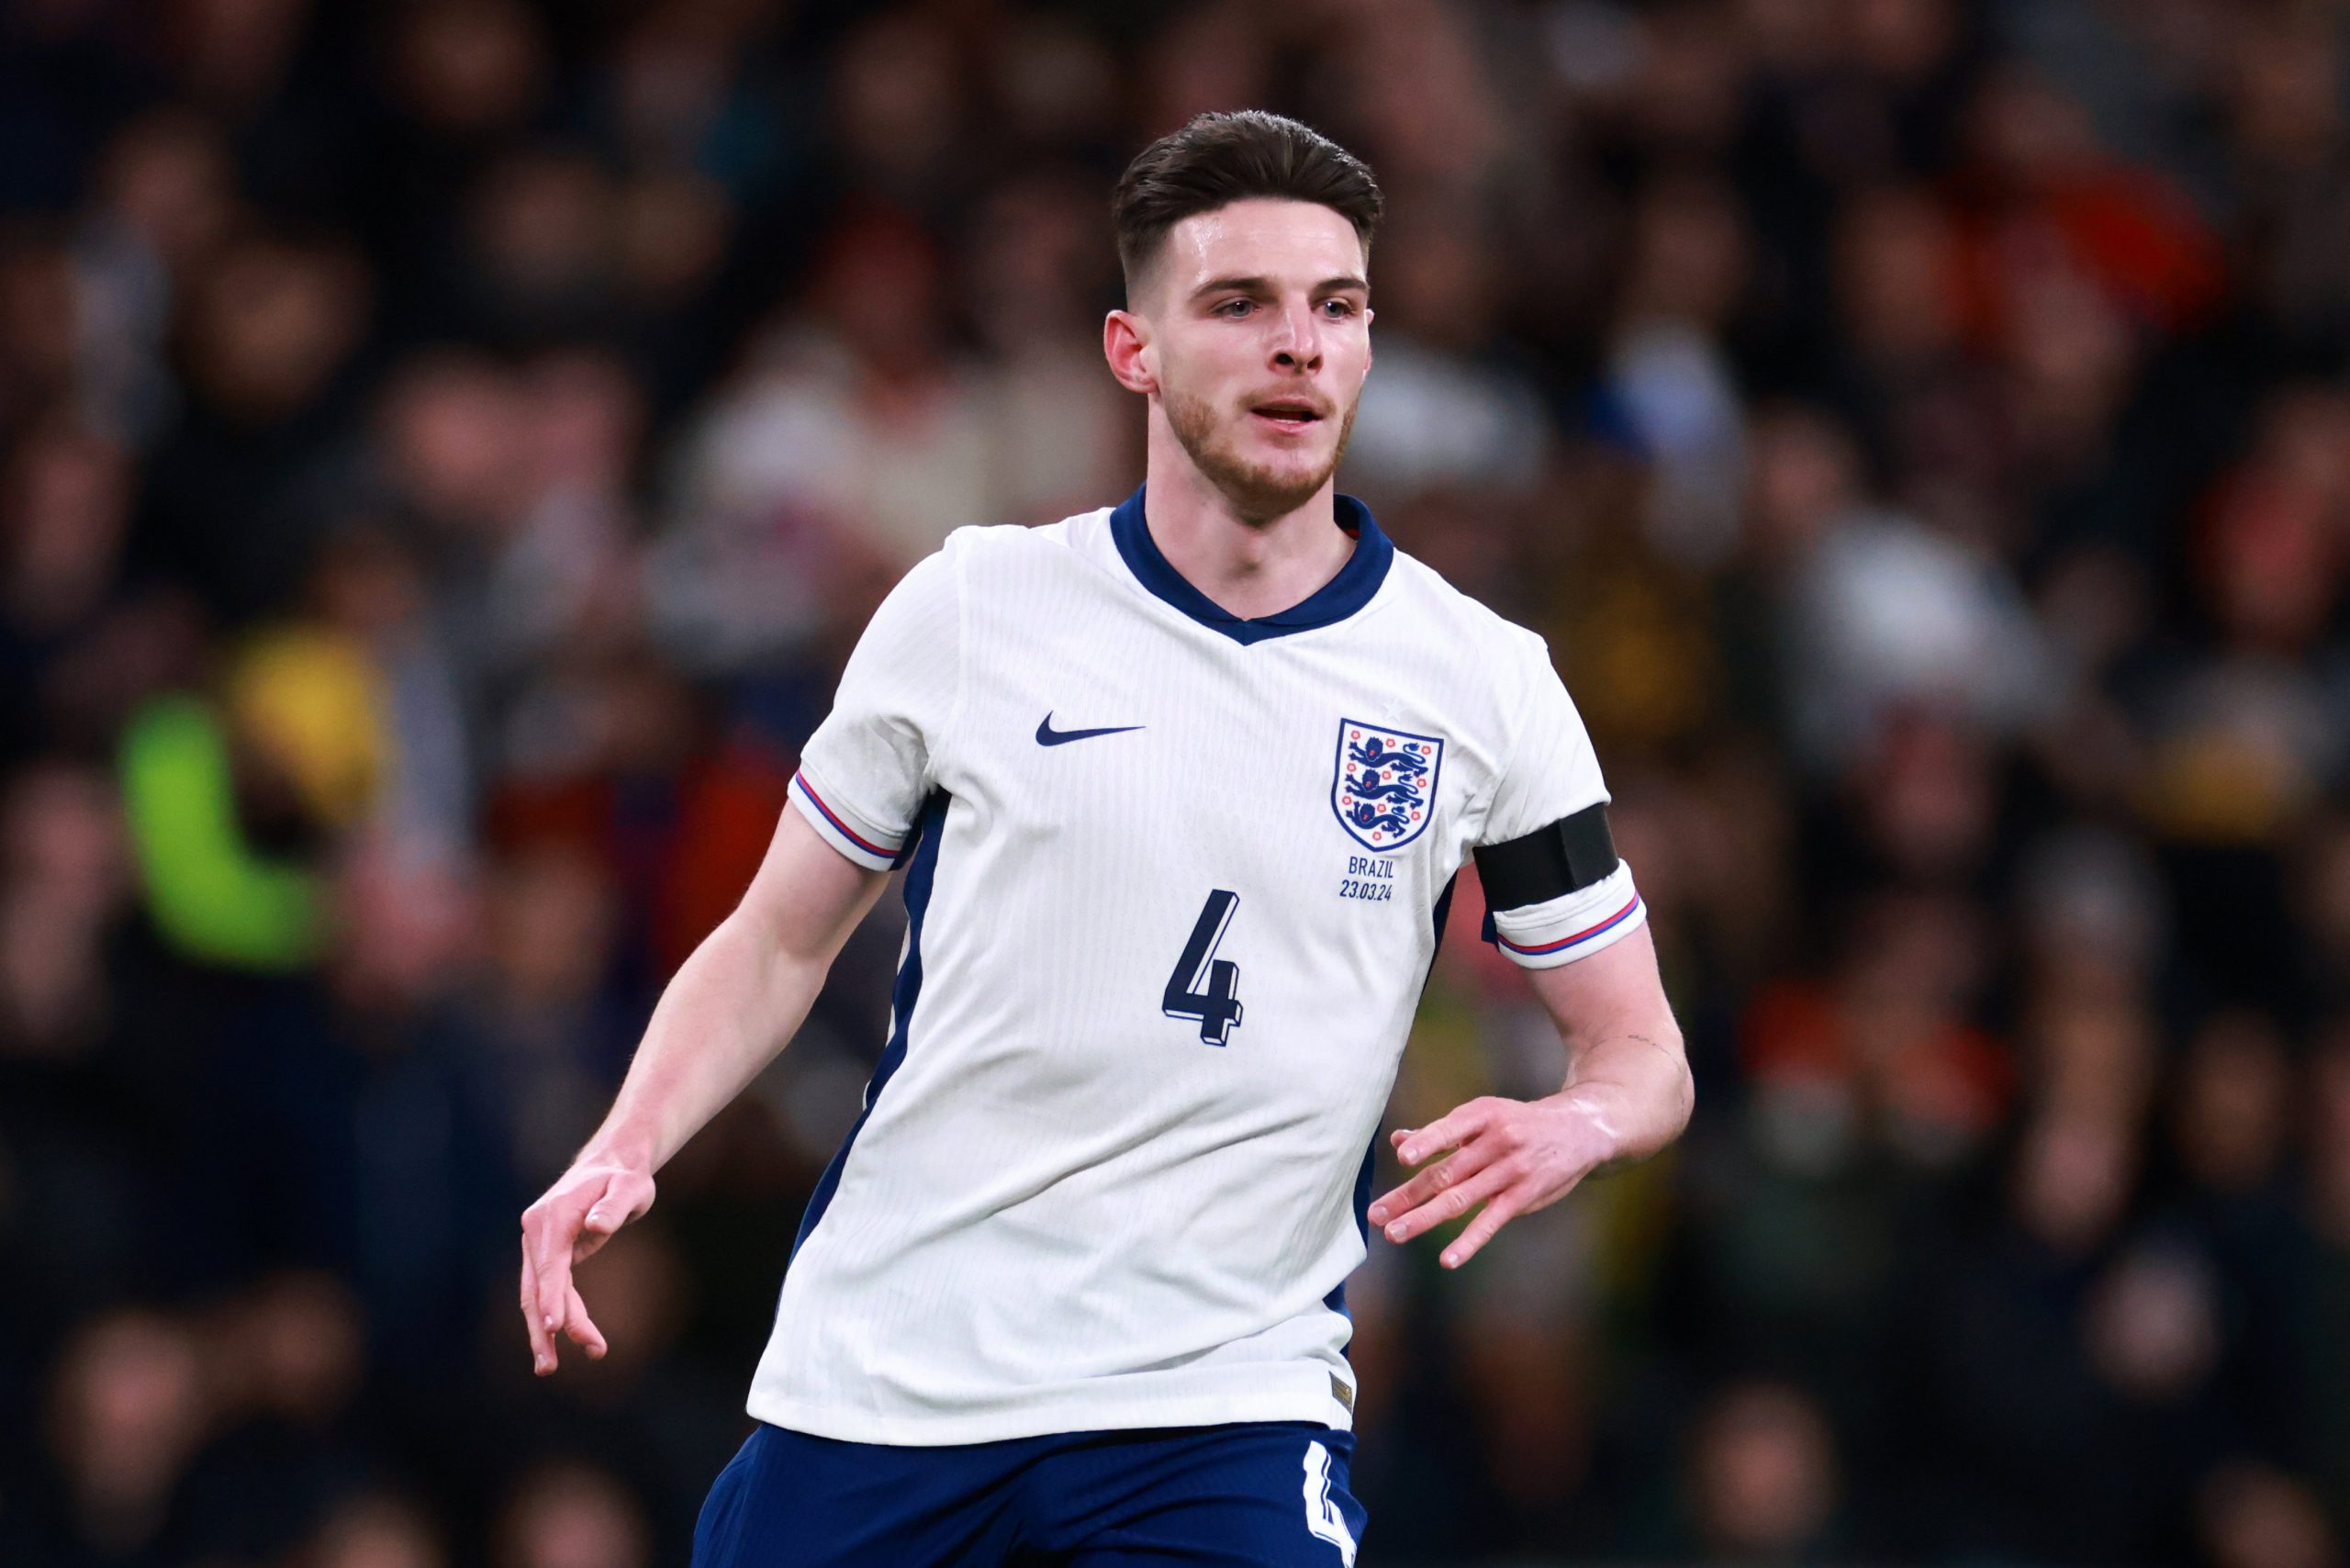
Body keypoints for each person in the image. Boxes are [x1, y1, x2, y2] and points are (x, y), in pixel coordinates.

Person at [518, 110, 1692, 1567]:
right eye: (1240, 304)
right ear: (1133, 349)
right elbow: (781, 937)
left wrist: (1573, 1123)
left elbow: (1643, 1055)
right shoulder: (973, 611)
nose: (1298, 346)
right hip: (893, 1378)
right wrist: (626, 1142)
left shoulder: (1482, 679)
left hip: (1222, 1407)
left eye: (1336, 308)